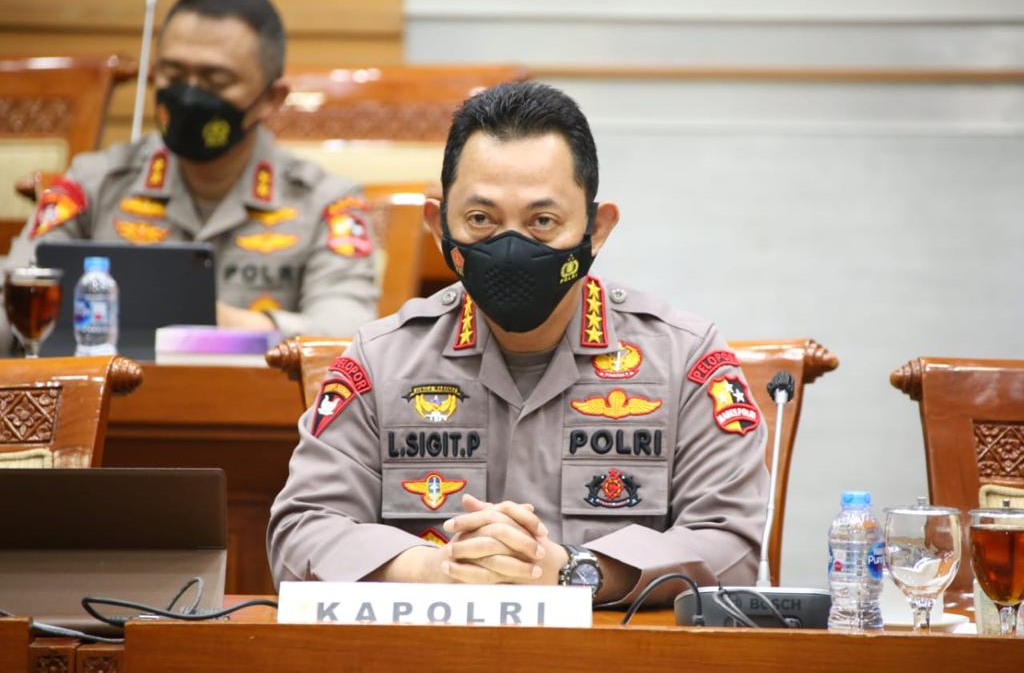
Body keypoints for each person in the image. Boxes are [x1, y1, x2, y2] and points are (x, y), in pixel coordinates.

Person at [267, 82, 769, 606]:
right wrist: (431, 568)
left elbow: (731, 545)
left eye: (542, 222)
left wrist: (574, 571)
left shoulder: (683, 360)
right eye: (480, 220)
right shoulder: (381, 360)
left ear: (596, 230)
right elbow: (301, 533)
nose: (510, 249)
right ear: (438, 226)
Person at [1, 0, 378, 354]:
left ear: (271, 98)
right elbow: (10, 303)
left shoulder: (325, 201)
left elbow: (346, 334)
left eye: (216, 80)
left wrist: (216, 325)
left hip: (257, 395)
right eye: (174, 73)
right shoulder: (94, 183)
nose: (190, 95)